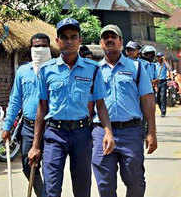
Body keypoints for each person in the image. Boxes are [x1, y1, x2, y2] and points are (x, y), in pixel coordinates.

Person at [27, 18, 115, 197]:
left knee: (82, 188)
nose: (69, 41)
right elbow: (42, 108)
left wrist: (108, 132)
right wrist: (36, 145)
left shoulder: (93, 69)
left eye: (73, 37)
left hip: (81, 134)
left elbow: (100, 104)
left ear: (80, 40)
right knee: (51, 188)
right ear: (58, 41)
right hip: (54, 134)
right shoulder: (46, 70)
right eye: (65, 37)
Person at [92, 24, 157, 197]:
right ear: (101, 43)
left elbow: (147, 99)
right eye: (106, 37)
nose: (109, 40)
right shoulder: (94, 70)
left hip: (131, 132)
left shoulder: (135, 68)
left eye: (113, 36)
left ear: (120, 42)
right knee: (105, 185)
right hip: (101, 132)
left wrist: (151, 132)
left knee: (135, 182)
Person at [1, 33, 52, 197]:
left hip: (52, 127)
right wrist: (7, 126)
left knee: (50, 169)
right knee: (27, 165)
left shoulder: (56, 69)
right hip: (29, 127)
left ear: (49, 48)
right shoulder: (23, 71)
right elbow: (15, 100)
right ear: (31, 48)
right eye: (36, 46)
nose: (40, 49)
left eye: (44, 46)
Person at [155, 52, 170, 117]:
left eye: (160, 57)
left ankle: (163, 112)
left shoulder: (165, 64)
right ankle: (162, 110)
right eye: (158, 57)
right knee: (158, 99)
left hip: (163, 82)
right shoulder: (155, 65)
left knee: (163, 97)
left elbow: (169, 68)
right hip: (157, 82)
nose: (159, 58)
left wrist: (164, 60)